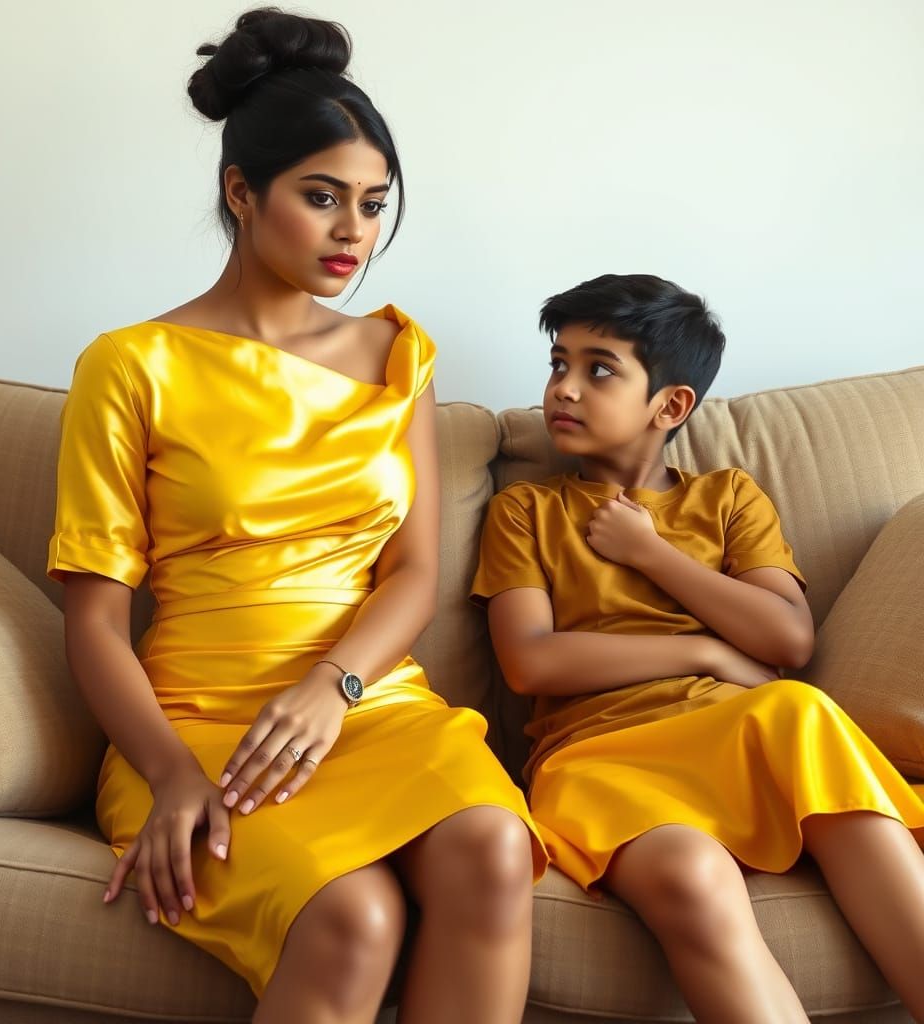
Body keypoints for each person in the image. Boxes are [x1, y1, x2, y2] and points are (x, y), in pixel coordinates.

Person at [47, 9, 545, 1023]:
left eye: (371, 203)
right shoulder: (130, 364)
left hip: (366, 705)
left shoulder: (397, 354)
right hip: (194, 721)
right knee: (352, 916)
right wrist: (171, 773)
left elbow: (411, 572)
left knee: (493, 844)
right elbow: (94, 620)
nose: (353, 232)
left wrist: (335, 684)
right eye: (322, 198)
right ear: (241, 192)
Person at [471, 272, 924, 1022]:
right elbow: (531, 661)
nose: (565, 389)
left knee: (797, 711)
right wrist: (705, 654)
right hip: (597, 755)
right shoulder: (527, 509)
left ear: (671, 405)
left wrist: (652, 554)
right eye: (558, 364)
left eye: (599, 369)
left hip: (741, 732)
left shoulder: (727, 498)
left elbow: (786, 637)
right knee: (686, 875)